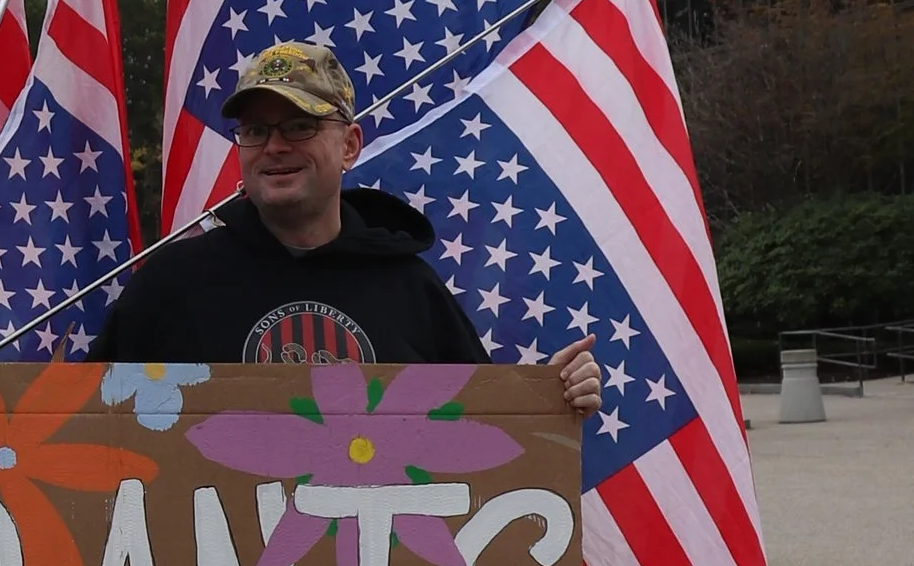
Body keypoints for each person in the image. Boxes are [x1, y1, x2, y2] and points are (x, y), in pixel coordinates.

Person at [93, 40, 604, 413]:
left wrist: (548, 398)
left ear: (350, 145)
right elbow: (83, 424)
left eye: (300, 125)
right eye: (255, 130)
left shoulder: (410, 290)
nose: (274, 146)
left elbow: (484, 431)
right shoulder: (169, 285)